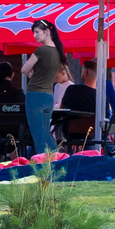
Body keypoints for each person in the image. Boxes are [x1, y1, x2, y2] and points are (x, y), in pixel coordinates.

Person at [20, 20, 68, 155]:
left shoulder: (41, 50)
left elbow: (24, 69)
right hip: (48, 97)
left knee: (38, 137)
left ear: (47, 32)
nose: (34, 35)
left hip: (35, 95)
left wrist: (30, 73)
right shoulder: (57, 52)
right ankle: (57, 161)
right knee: (46, 134)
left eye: (37, 32)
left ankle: (42, 165)